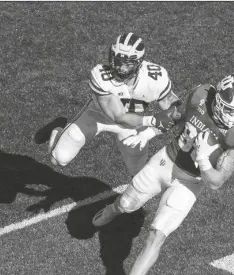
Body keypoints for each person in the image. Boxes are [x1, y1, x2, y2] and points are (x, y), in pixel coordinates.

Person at [92, 73, 234, 275]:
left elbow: (216, 182)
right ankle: (113, 210)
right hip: (166, 161)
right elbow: (176, 118)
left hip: (191, 183)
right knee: (127, 204)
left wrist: (202, 157)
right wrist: (150, 132)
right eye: (228, 109)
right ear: (217, 100)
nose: (232, 116)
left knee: (157, 235)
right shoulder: (201, 94)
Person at [41, 32, 181, 176]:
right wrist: (151, 120)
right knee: (58, 159)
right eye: (117, 61)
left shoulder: (154, 77)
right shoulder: (101, 75)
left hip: (133, 124)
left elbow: (177, 111)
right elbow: (119, 117)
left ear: (138, 62)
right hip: (97, 116)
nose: (120, 68)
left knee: (138, 173)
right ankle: (57, 131)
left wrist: (150, 132)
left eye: (127, 64)